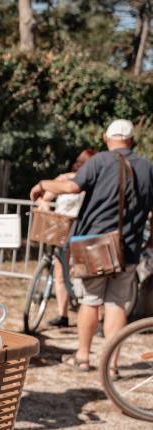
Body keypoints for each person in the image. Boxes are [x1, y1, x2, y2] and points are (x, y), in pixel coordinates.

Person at [30, 119, 153, 374]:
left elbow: (72, 186)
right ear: (132, 140)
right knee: (117, 304)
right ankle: (111, 364)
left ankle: (83, 356)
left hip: (94, 246)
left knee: (91, 301)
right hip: (128, 246)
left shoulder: (99, 161)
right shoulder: (146, 167)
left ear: (107, 138)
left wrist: (43, 184)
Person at [36, 148, 96, 328]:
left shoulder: (93, 183)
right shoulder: (64, 179)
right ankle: (63, 314)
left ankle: (95, 316)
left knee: (85, 273)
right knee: (59, 272)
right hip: (61, 228)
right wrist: (44, 208)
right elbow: (45, 199)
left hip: (82, 230)